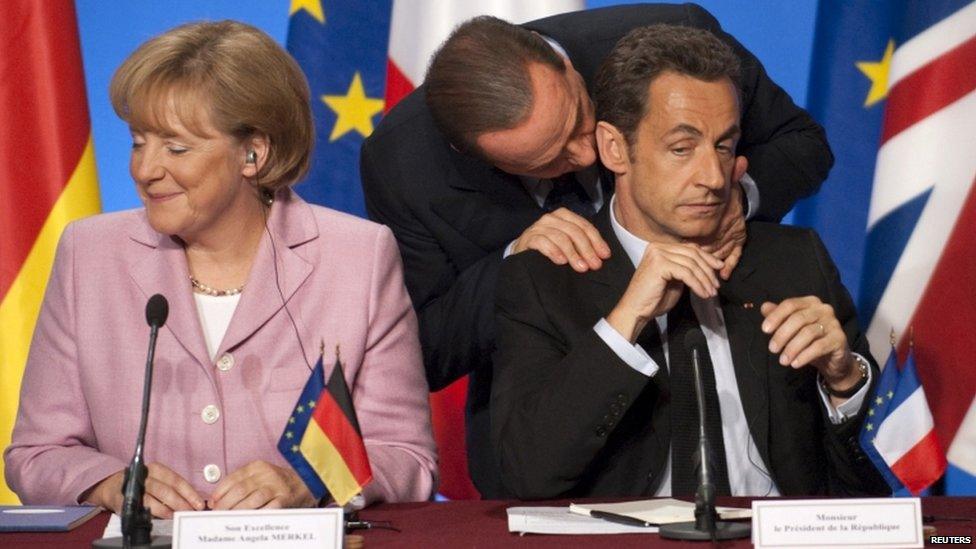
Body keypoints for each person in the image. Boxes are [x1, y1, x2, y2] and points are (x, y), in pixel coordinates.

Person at [361, 4, 834, 497]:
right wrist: (511, 260)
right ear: (476, 156)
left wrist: (734, 195)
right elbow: (427, 350)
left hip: (727, 387)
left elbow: (802, 144)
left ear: (562, 65)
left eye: (580, 119)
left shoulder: (667, 45)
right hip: (552, 461)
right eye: (552, 160)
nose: (589, 155)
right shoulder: (403, 166)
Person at [5, 20, 436, 516]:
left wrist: (311, 480)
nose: (145, 169)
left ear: (253, 152)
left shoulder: (357, 257)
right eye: (138, 141)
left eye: (176, 146)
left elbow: (409, 458)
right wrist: (106, 481)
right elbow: (36, 453)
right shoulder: (89, 254)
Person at [491, 24, 889, 499]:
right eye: (682, 148)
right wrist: (625, 319)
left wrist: (847, 381)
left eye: (723, 145)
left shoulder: (795, 260)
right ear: (615, 148)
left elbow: (873, 484)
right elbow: (525, 473)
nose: (714, 177)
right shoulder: (544, 278)